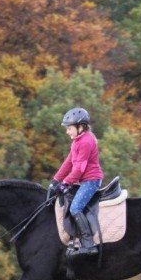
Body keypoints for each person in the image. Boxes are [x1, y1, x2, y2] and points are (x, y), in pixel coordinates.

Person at [49, 107, 103, 256]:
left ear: (80, 127)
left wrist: (65, 183)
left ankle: (89, 244)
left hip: (91, 181)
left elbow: (79, 168)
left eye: (69, 128)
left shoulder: (85, 141)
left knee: (75, 208)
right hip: (83, 180)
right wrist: (56, 180)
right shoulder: (77, 141)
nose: (67, 131)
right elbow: (68, 163)